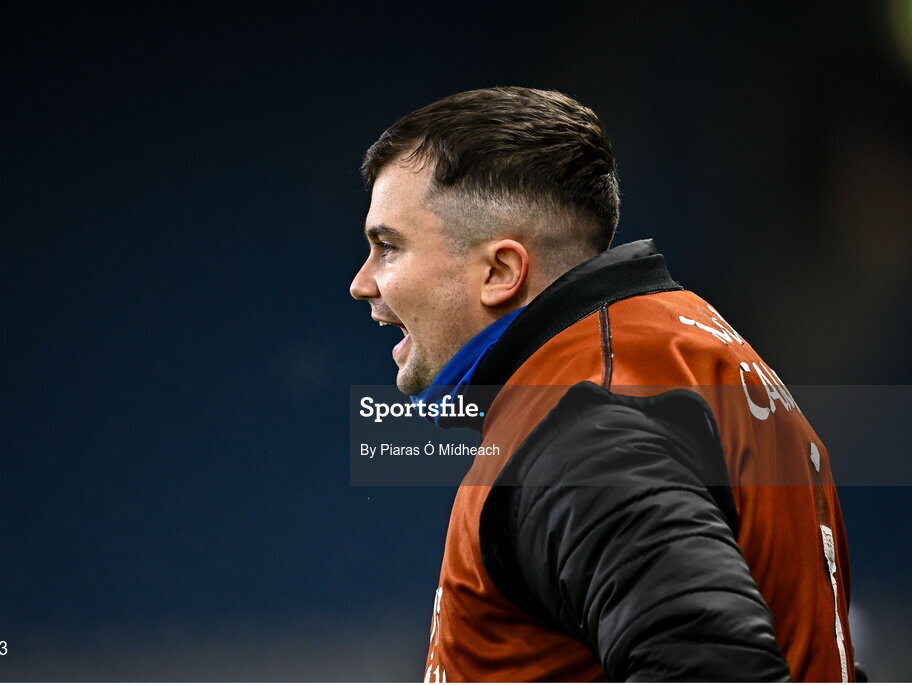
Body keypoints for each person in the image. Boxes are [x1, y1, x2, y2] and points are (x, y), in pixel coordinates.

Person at [349, 87, 853, 682]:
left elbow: (712, 665)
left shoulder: (587, 425)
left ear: (500, 271)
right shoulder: (676, 349)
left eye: (388, 247)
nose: (363, 283)